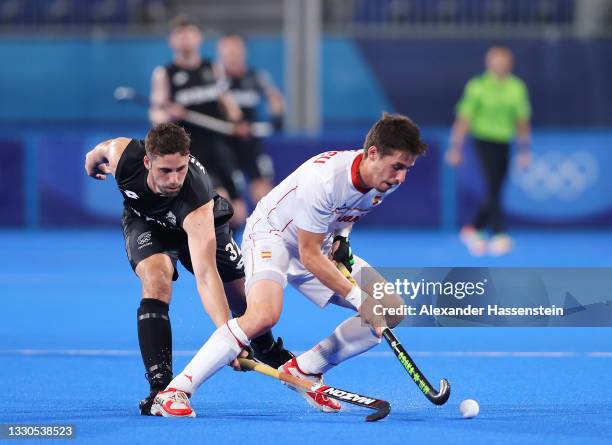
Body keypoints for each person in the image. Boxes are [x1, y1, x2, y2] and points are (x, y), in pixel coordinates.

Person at [150, 113, 427, 418]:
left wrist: (342, 238)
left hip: (317, 241)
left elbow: (346, 215)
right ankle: (176, 390)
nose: (401, 178)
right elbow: (309, 256)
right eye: (398, 167)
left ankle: (306, 369)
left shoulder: (384, 179)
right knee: (263, 316)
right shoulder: (325, 180)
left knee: (391, 308)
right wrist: (360, 300)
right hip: (273, 237)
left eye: (408, 169)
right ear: (372, 153)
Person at [83, 123, 292, 416]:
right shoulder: (123, 156)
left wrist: (227, 339)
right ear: (147, 162)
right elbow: (99, 152)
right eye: (165, 171)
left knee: (242, 301)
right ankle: (160, 388)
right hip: (147, 224)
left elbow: (206, 276)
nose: (174, 179)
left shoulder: (196, 197)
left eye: (180, 169)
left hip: (200, 226)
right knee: (156, 279)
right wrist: (91, 162)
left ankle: (270, 353)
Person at [149, 15, 248, 228]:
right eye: (180, 34)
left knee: (239, 212)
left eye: (190, 33)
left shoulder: (212, 68)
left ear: (199, 38)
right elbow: (156, 114)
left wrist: (237, 119)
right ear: (171, 40)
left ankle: (233, 255)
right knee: (219, 202)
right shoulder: (165, 73)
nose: (185, 38)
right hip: (192, 149)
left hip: (220, 145)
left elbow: (227, 101)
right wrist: (169, 115)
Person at [445, 46, 532, 256]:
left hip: (505, 142)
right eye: (496, 60)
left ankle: (473, 228)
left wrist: (524, 150)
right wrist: (455, 147)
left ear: (510, 63)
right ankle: (500, 233)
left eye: (504, 61)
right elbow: (464, 118)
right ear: (488, 63)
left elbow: (521, 121)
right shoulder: (477, 86)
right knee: (492, 184)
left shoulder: (517, 87)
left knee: (496, 187)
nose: (500, 64)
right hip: (483, 141)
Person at [217, 33, 285, 205]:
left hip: (251, 142)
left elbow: (274, 98)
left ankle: (268, 229)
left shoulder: (256, 76)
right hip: (224, 144)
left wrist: (277, 116)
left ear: (244, 51)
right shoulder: (215, 79)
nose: (232, 54)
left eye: (235, 49)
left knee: (265, 194)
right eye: (227, 50)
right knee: (230, 202)